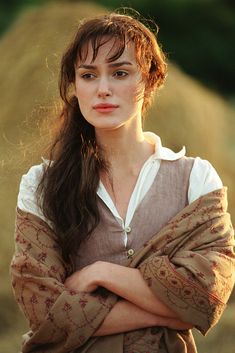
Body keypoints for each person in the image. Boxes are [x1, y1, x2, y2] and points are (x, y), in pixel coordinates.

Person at [10, 10, 235, 353]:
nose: (103, 89)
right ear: (75, 84)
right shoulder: (41, 183)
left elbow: (206, 295)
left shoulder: (196, 178)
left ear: (151, 79)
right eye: (88, 75)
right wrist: (170, 312)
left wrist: (102, 273)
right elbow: (42, 308)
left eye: (119, 73)